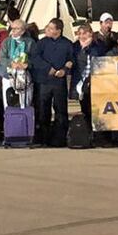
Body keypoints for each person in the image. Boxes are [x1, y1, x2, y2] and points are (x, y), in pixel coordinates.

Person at [30, 18, 74, 146]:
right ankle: (43, 138)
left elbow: (71, 60)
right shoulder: (41, 43)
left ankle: (60, 138)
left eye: (50, 28)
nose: (47, 30)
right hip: (44, 81)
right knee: (43, 109)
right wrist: (48, 68)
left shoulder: (67, 44)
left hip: (59, 82)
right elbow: (35, 58)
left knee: (60, 110)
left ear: (58, 31)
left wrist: (65, 70)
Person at [0, 18, 34, 109]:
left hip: (24, 77)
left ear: (23, 31)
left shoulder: (30, 42)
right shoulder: (6, 41)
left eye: (16, 28)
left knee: (24, 103)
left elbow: (34, 58)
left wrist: (27, 64)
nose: (13, 30)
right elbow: (1, 58)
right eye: (12, 28)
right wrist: (11, 63)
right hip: (8, 75)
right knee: (8, 104)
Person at [72, 23, 102, 127]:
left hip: (95, 81)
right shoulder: (75, 46)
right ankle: (88, 131)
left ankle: (97, 133)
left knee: (95, 109)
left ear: (90, 33)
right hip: (81, 81)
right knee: (84, 108)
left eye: (84, 33)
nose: (81, 36)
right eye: (79, 33)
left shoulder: (97, 45)